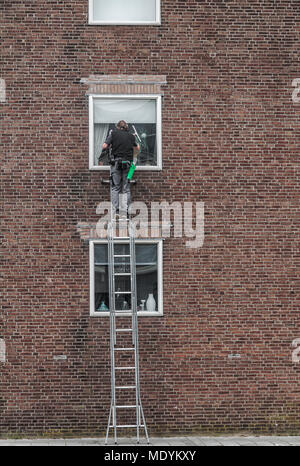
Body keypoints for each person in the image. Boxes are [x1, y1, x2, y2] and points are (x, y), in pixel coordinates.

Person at [100, 120, 139, 217]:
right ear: (126, 127)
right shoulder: (131, 136)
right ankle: (126, 210)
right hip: (128, 164)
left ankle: (116, 210)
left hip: (116, 163)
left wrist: (111, 145)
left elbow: (104, 146)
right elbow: (137, 148)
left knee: (115, 187)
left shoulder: (113, 134)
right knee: (126, 188)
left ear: (117, 127)